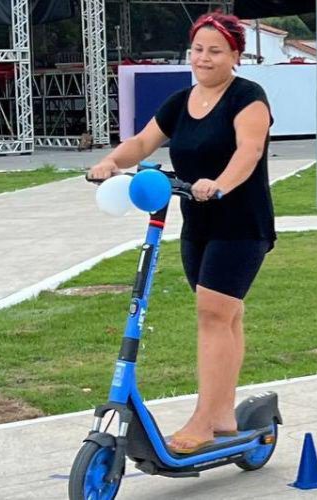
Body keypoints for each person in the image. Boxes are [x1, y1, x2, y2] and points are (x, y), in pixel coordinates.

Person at [87, 12, 276, 455]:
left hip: (240, 222)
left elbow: (249, 151)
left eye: (215, 51)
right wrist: (112, 161)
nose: (204, 59)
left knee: (213, 314)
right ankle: (224, 413)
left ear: (234, 55)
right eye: (197, 50)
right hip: (198, 222)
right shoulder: (179, 101)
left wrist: (220, 184)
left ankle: (203, 421)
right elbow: (141, 142)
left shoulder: (249, 98)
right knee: (226, 316)